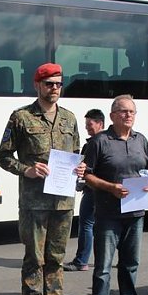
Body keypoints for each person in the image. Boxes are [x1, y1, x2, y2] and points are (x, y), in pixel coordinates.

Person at [0, 62, 84, 295]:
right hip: (34, 202)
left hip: (63, 201)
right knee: (34, 258)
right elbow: (3, 156)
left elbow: (76, 152)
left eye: (58, 84)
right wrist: (27, 170)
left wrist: (81, 167)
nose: (55, 88)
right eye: (49, 84)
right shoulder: (21, 117)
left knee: (56, 257)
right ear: (37, 85)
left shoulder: (69, 118)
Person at [83, 95, 148, 295]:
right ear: (112, 115)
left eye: (132, 111)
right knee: (103, 266)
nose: (128, 115)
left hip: (135, 213)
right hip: (108, 213)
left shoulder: (140, 140)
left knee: (130, 262)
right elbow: (87, 175)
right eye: (123, 111)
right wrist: (110, 187)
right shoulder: (100, 141)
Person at [63, 109, 105, 272]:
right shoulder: (109, 141)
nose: (87, 127)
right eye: (86, 124)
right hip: (103, 190)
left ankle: (81, 261)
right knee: (106, 225)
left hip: (93, 189)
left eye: (90, 124)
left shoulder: (94, 143)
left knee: (86, 224)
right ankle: (122, 257)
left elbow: (87, 167)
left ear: (100, 123)